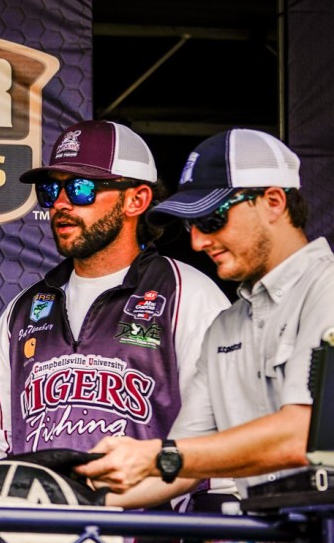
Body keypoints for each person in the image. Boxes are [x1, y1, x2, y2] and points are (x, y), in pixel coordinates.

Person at [0, 120, 233, 543]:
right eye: (51, 190)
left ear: (137, 200)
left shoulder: (189, 295)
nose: (61, 204)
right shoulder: (22, 311)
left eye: (81, 188)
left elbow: (224, 464)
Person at [75, 128, 334, 504]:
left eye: (212, 219)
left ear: (274, 201)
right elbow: (183, 467)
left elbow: (304, 435)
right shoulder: (225, 327)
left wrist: (156, 456)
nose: (197, 242)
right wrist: (67, 504)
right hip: (270, 536)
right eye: (190, 225)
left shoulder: (327, 288)